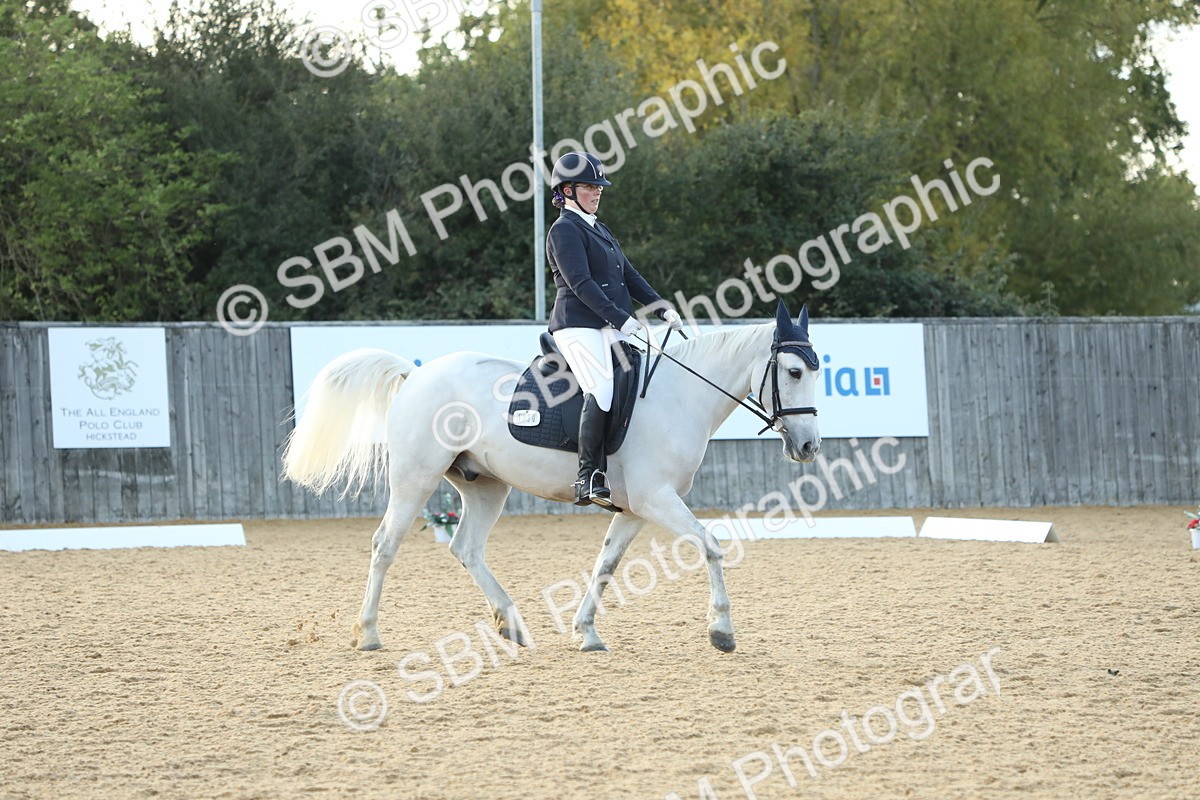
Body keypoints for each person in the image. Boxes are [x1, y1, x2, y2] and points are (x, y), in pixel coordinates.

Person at [545, 151, 683, 507]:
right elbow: (580, 283)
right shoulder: (564, 230)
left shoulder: (600, 230)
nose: (597, 192)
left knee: (641, 381)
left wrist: (660, 306)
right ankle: (588, 476)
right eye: (590, 186)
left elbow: (629, 275)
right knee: (603, 388)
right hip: (577, 324)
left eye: (599, 186)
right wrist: (619, 318)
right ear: (568, 191)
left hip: (608, 324)